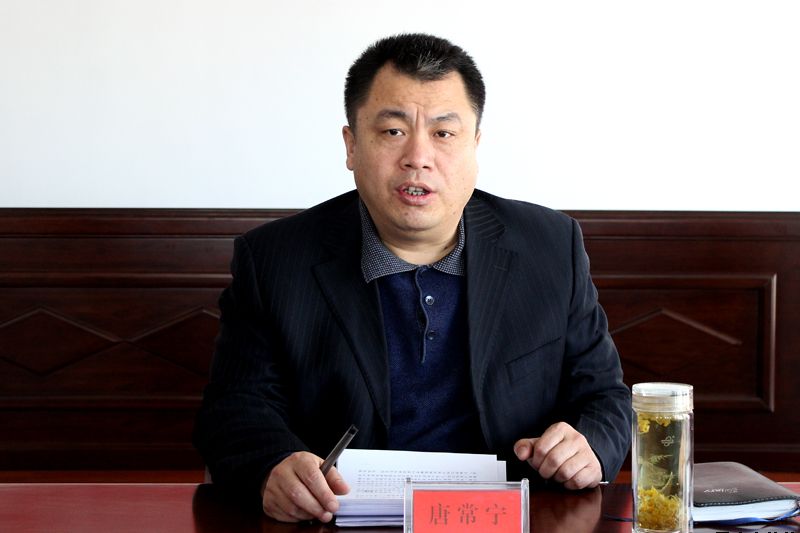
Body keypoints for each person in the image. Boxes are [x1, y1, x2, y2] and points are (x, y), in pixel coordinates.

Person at [193, 33, 631, 524]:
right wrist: (272, 465)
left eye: (444, 133)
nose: (418, 157)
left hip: (510, 519)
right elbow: (234, 409)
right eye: (393, 131)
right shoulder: (275, 259)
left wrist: (590, 445)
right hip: (339, 519)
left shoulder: (549, 246)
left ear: (475, 145)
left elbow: (605, 397)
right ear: (351, 146)